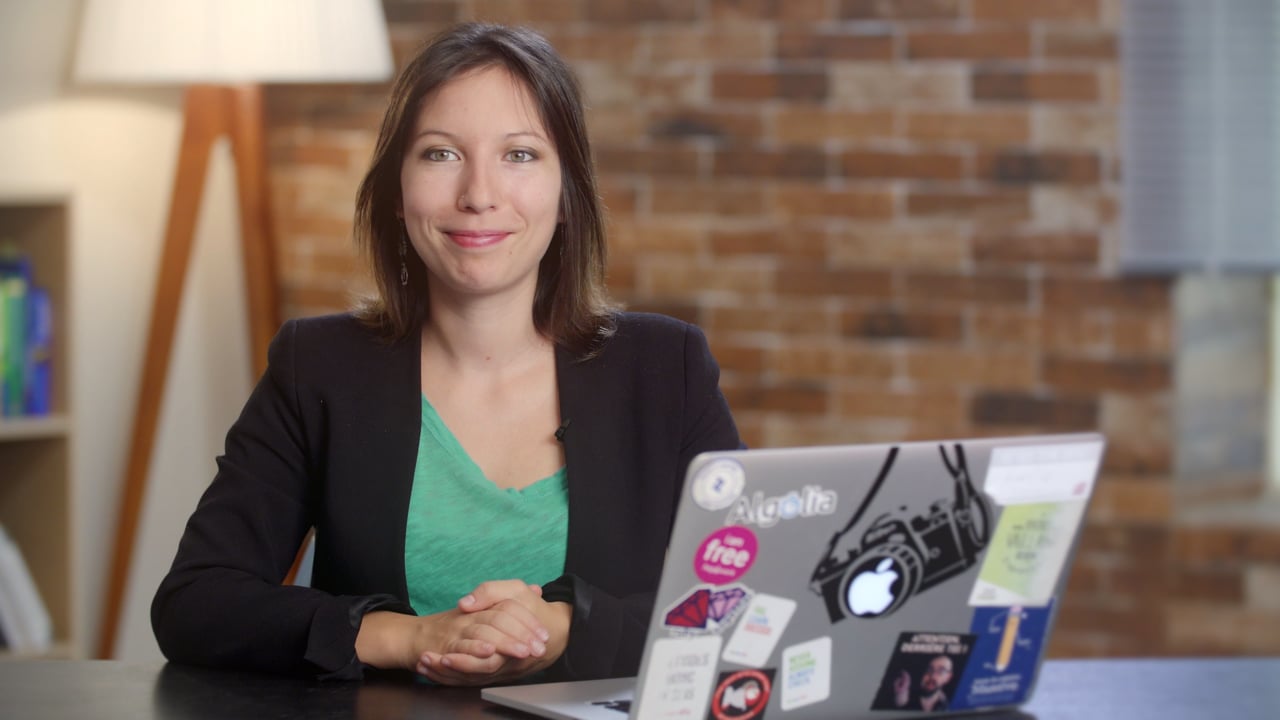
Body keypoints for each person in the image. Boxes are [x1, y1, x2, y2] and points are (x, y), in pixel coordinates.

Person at [150, 22, 741, 686]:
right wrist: (407, 638)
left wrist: (565, 628)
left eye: (520, 155)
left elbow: (748, 604)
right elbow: (195, 603)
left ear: (566, 194)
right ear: (397, 195)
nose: (478, 195)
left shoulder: (667, 368)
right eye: (440, 154)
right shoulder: (316, 367)